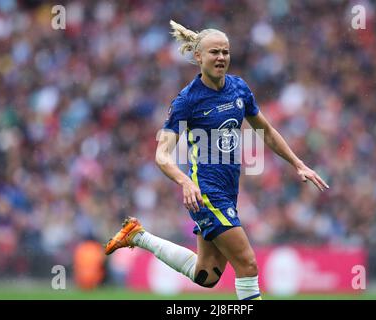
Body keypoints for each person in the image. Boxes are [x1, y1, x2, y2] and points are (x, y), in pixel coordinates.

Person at [104, 20, 329, 300]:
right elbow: (161, 155)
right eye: (214, 52)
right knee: (248, 265)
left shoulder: (239, 88)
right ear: (198, 57)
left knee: (206, 274)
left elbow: (266, 131)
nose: (221, 57)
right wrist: (184, 181)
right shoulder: (187, 100)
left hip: (228, 191)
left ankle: (138, 236)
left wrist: (298, 164)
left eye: (225, 52)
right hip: (206, 192)